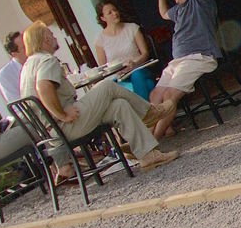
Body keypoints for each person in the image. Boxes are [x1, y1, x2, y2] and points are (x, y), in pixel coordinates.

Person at [18, 22, 177, 171]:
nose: (54, 37)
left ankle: (148, 155)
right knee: (107, 86)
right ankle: (150, 112)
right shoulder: (46, 60)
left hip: (53, 132)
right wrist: (63, 114)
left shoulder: (28, 66)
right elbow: (43, 87)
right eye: (51, 34)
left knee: (119, 105)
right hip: (66, 125)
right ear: (45, 39)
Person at [148, 0, 220, 139]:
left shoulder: (199, 2)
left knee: (168, 95)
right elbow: (164, 13)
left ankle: (152, 141)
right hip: (178, 61)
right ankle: (145, 138)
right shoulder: (178, 9)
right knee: (155, 95)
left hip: (199, 57)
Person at [95, 0, 157, 99]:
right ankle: (149, 109)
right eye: (110, 13)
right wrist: (116, 71)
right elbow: (103, 69)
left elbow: (145, 53)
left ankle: (143, 112)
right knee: (149, 85)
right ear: (103, 18)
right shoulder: (100, 40)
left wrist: (135, 64)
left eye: (115, 10)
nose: (115, 13)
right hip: (119, 77)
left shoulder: (132, 28)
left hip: (138, 69)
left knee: (137, 75)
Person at [0, 31, 25, 109]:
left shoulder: (40, 59)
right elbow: (18, 105)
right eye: (24, 47)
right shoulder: (5, 75)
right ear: (14, 54)